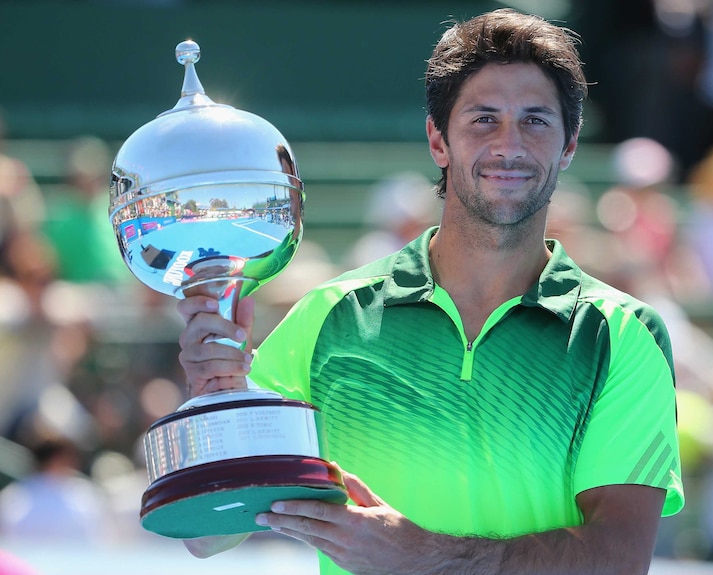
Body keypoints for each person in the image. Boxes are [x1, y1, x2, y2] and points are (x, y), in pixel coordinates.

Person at [176, 9, 684, 574]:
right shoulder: (328, 317)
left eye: (536, 120)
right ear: (438, 141)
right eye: (484, 119)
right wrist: (215, 394)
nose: (509, 145)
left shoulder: (622, 335)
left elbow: (619, 561)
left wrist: (423, 556)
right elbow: (211, 535)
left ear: (568, 146)